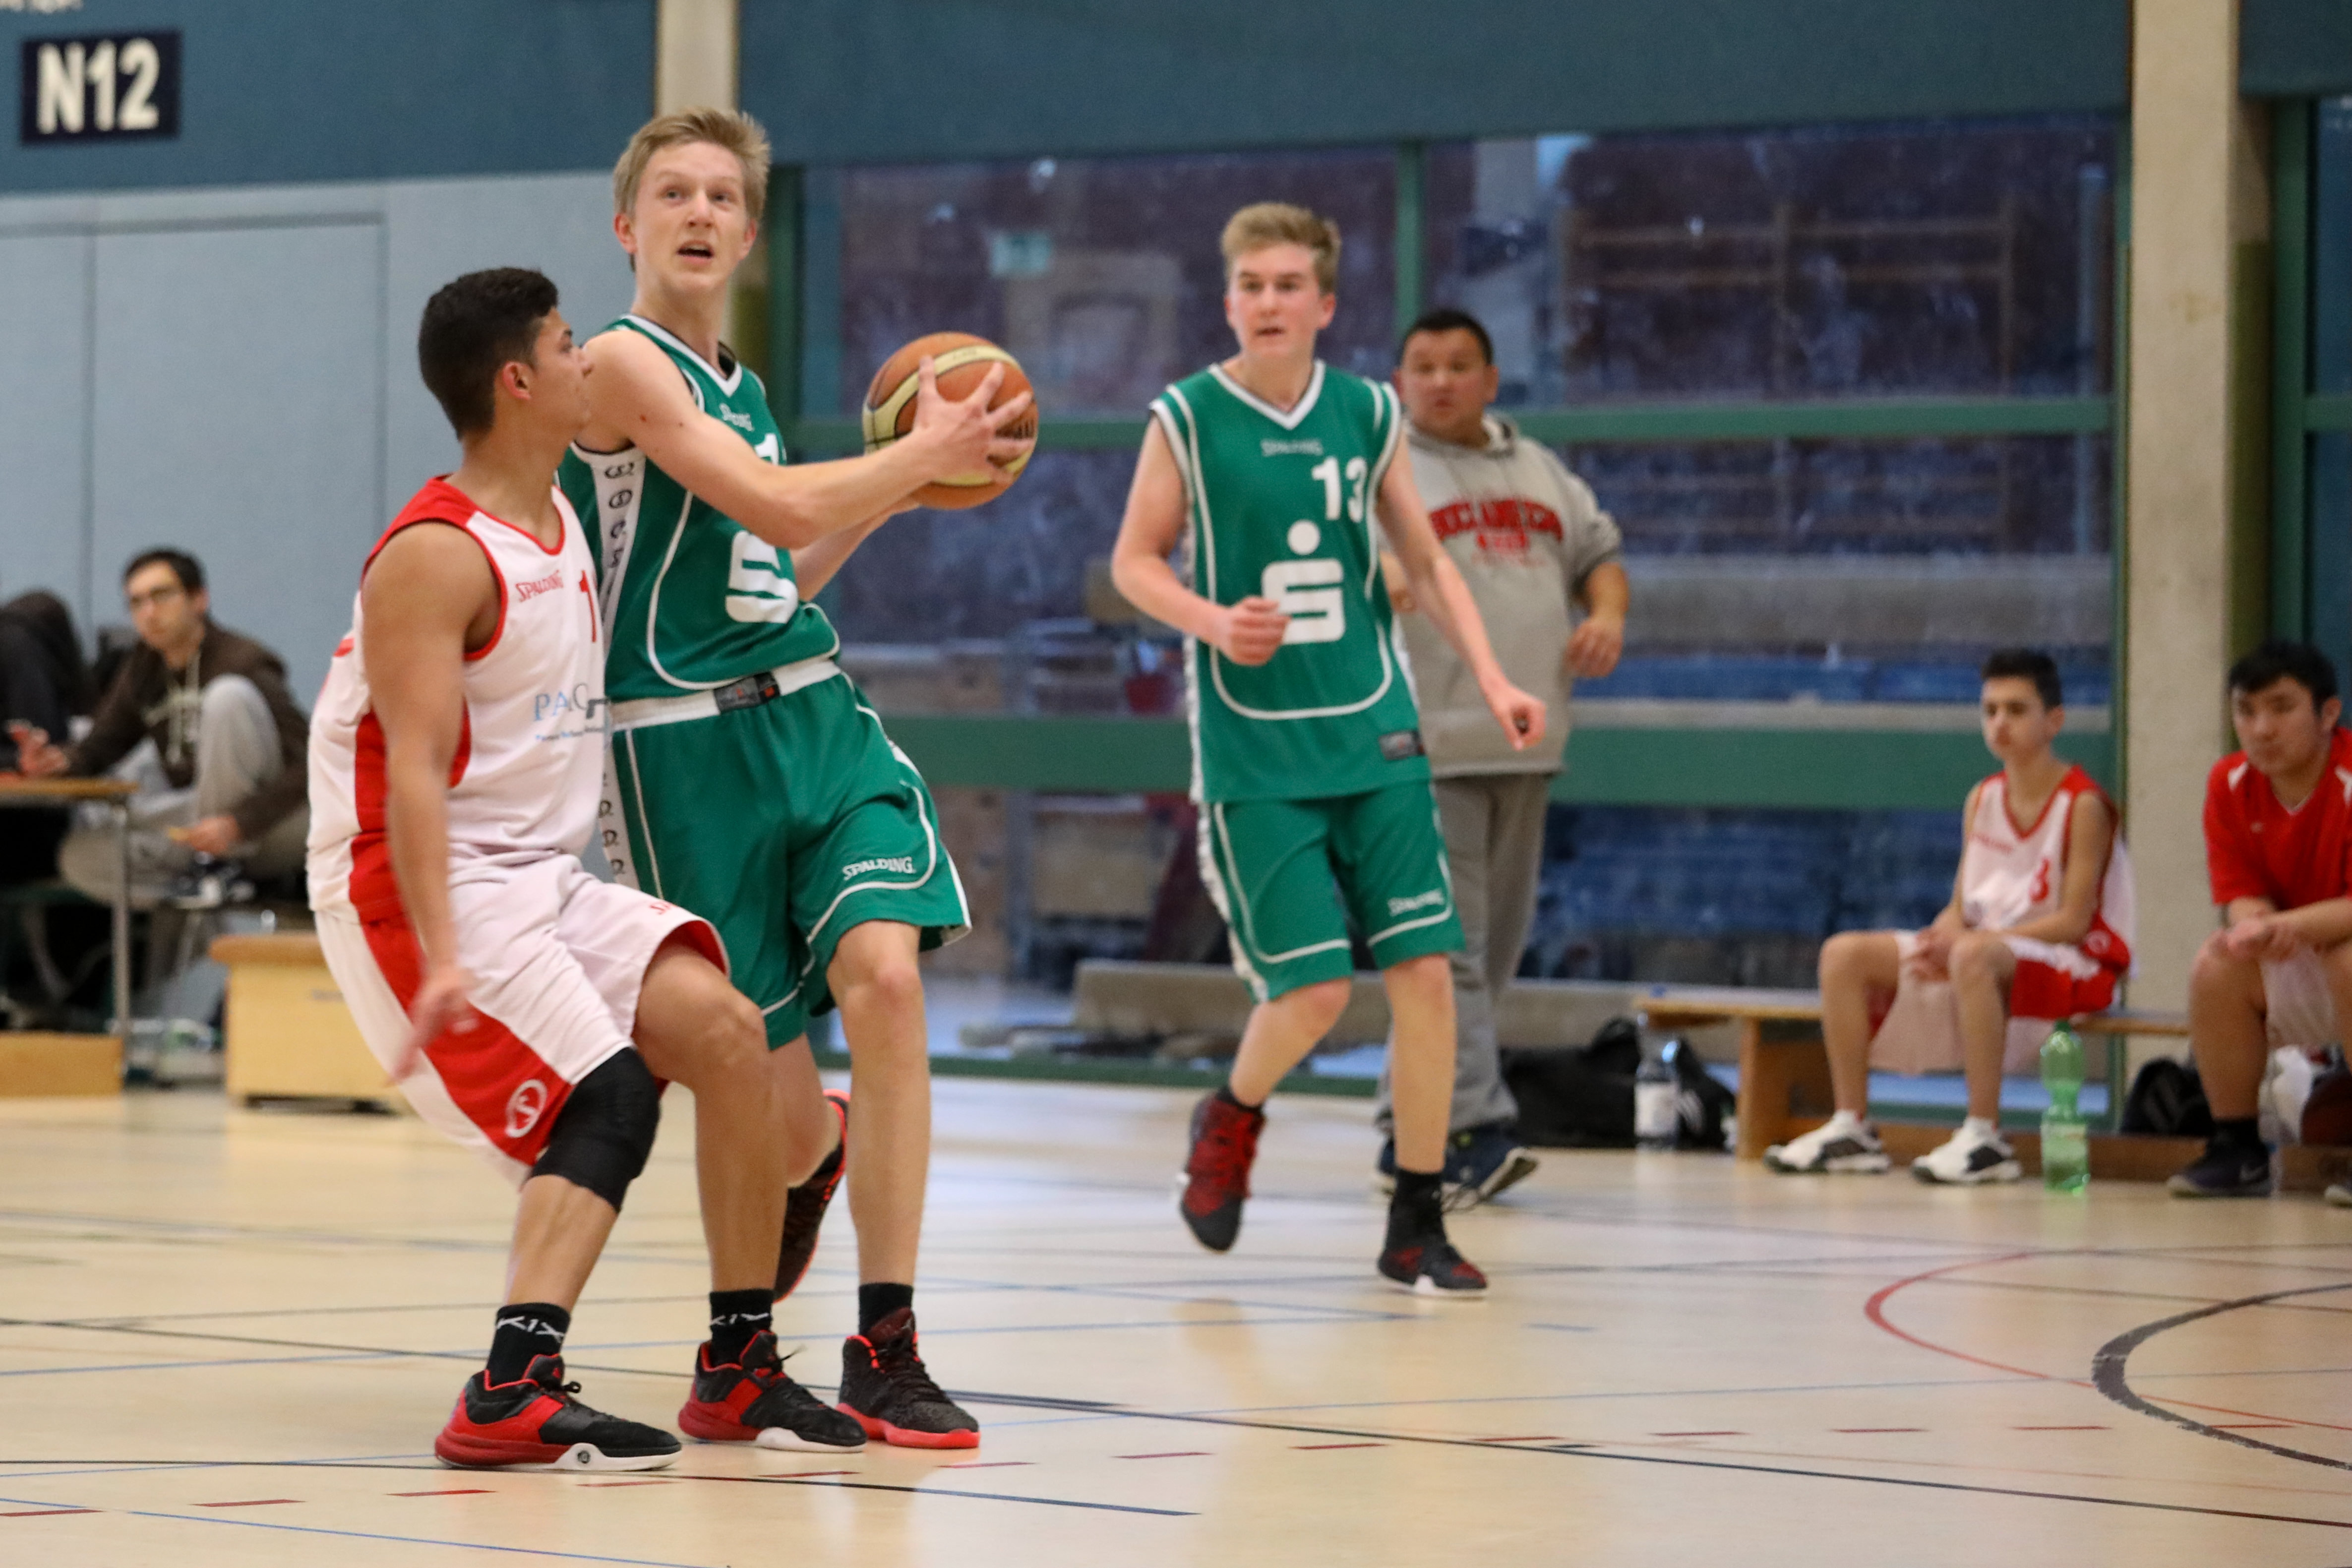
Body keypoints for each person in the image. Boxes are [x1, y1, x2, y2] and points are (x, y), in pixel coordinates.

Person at [310, 267, 862, 1469]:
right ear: (519, 381)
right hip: (418, 882)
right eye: (568, 346)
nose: (589, 360)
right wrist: (443, 956)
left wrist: (890, 490)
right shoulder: (435, 555)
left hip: (538, 872)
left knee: (727, 1033)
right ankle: (509, 1384)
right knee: (605, 1098)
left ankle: (739, 1364)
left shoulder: (566, 519)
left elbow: (761, 574)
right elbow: (411, 776)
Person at [562, 109, 1030, 1448]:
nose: (699, 212)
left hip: (812, 715)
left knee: (887, 978)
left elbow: (781, 568)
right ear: (627, 225)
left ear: (750, 234)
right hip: (677, 754)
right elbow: (772, 507)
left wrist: (901, 490)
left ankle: (887, 1341)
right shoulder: (619, 365)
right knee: (756, 1101)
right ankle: (810, 1160)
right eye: (673, 193)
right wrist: (917, 456)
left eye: (722, 196)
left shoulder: (748, 390)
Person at [1110, 202, 1547, 1295]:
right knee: (1310, 993)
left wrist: (1494, 678)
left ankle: (1415, 1222)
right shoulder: (1185, 417)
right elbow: (1134, 562)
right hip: (1256, 750)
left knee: (1425, 976)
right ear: (1229, 303)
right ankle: (1231, 1115)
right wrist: (1213, 621)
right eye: (1251, 285)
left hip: (1375, 732)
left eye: (1287, 285)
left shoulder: (1365, 411)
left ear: (1324, 305)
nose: (1268, 302)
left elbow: (1427, 563)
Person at [1376, 306, 1629, 1207]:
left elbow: (1599, 554)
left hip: (1526, 745)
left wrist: (1607, 615)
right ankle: (1470, 1129)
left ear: (1489, 379)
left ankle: (1402, 1129)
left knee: (1486, 957)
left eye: (1458, 365)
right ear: (1399, 382)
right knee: (1446, 950)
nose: (1439, 380)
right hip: (1425, 742)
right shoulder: (1380, 470)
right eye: (1422, 366)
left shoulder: (1538, 468)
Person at [1766, 649, 2132, 1184]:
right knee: (1843, 955)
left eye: (2016, 710)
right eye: (1990, 711)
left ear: (2054, 721)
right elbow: (1961, 907)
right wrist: (1941, 938)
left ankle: (1985, 1135)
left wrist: (1966, 943)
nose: (2000, 723)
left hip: (2073, 961)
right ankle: (1852, 1127)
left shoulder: (2083, 805)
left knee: (1971, 954)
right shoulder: (1982, 798)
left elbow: (2074, 922)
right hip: (1988, 950)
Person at [9, 551, 309, 908]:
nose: (149, 613)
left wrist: (239, 823)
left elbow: (310, 764)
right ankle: (206, 889)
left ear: (199, 599)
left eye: (161, 596)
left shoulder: (243, 660)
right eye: (136, 603)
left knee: (228, 697)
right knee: (81, 857)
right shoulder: (144, 669)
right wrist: (57, 762)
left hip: (269, 819)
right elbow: (99, 746)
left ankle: (219, 869)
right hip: (199, 823)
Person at [2167, 641, 2352, 1200]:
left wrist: (2284, 927)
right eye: (2246, 712)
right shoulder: (2228, 783)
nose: (2262, 728)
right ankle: (2237, 1149)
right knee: (2217, 964)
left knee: (2349, 961)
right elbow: (2241, 895)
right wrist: (2254, 928)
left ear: (2328, 713)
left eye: (2281, 708)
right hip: (2309, 953)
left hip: (2341, 955)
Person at [0, 591, 96, 885]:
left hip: (26, 834)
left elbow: (35, 747)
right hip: (49, 833)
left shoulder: (14, 643)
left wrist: (17, 761)